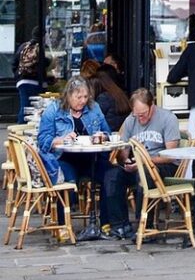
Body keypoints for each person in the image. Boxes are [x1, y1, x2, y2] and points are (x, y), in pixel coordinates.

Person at [101, 88, 181, 240]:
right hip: (138, 164)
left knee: (144, 174)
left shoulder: (167, 118)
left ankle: (144, 225)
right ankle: (120, 226)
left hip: (163, 165)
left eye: (143, 114)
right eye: (137, 115)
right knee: (112, 175)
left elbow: (171, 155)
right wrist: (124, 158)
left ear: (152, 106)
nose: (140, 119)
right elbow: (123, 151)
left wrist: (143, 161)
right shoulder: (131, 120)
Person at [35, 77, 112, 224]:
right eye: (79, 97)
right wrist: (61, 139)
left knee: (111, 176)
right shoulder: (54, 109)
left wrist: (102, 136)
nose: (83, 101)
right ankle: (63, 226)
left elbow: (107, 132)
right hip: (64, 158)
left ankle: (106, 224)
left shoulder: (94, 108)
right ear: (68, 96)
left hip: (91, 158)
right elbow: (43, 140)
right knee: (66, 184)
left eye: (85, 96)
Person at [14, 26, 49, 123]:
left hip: (23, 82)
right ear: (44, 36)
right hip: (36, 82)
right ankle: (29, 126)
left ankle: (21, 127)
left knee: (24, 106)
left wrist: (18, 77)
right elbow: (44, 65)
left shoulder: (23, 46)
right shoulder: (41, 48)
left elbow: (14, 63)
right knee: (37, 108)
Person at [94, 65, 132, 132]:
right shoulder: (119, 93)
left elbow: (95, 118)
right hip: (122, 133)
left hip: (109, 134)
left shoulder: (103, 98)